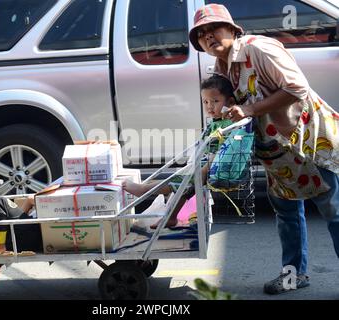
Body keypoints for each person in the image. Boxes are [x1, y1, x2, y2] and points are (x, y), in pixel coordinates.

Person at [188, 3, 339, 294]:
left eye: (214, 29)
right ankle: (294, 276)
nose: (208, 37)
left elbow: (297, 88)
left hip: (308, 144)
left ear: (232, 30)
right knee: (287, 214)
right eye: (202, 34)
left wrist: (250, 109)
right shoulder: (221, 67)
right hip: (278, 155)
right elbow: (240, 108)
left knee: (333, 211)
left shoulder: (260, 49)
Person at [123, 74, 236, 229]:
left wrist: (205, 168)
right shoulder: (216, 122)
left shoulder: (229, 123)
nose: (210, 106)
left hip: (211, 167)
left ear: (229, 102)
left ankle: (144, 191)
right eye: (206, 102)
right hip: (201, 164)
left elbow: (226, 150)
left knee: (178, 182)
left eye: (215, 101)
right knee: (180, 183)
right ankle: (170, 216)